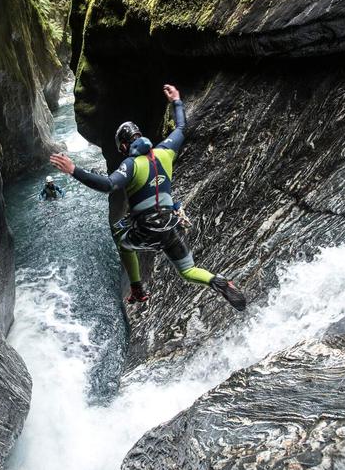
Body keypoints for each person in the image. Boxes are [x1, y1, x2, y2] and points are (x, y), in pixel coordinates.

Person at [49, 84, 246, 310]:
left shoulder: (131, 165)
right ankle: (216, 281)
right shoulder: (165, 152)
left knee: (123, 242)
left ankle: (137, 289)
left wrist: (74, 169)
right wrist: (177, 101)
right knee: (188, 271)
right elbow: (182, 126)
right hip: (171, 226)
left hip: (146, 230)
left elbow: (109, 184)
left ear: (124, 146)